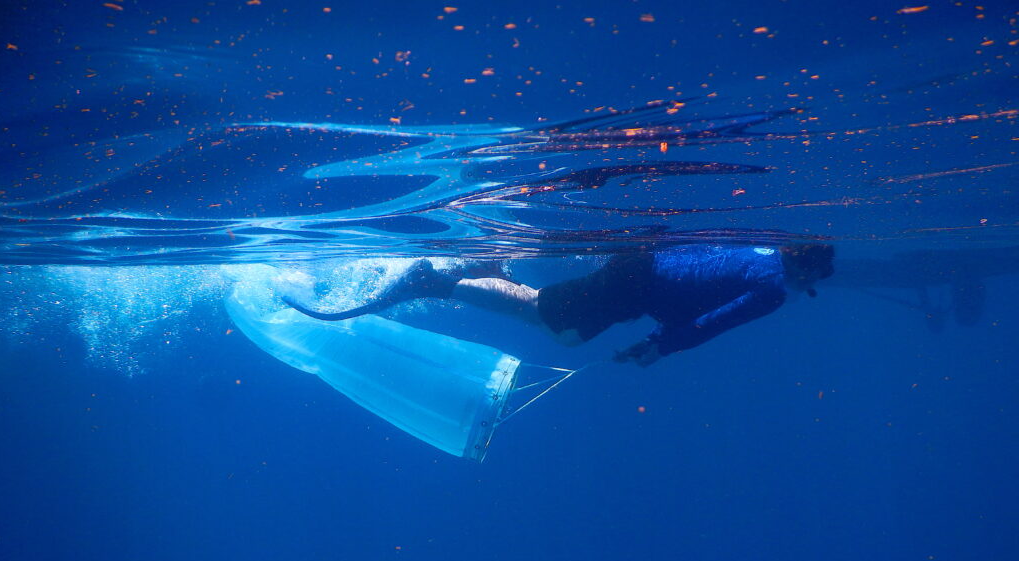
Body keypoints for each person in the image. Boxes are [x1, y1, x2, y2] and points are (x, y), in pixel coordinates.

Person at [283, 244, 835, 367]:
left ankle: (468, 276)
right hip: (636, 289)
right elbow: (717, 321)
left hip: (638, 268)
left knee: (548, 313)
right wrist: (659, 346)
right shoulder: (772, 288)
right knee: (554, 322)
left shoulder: (756, 244)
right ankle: (436, 279)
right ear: (806, 269)